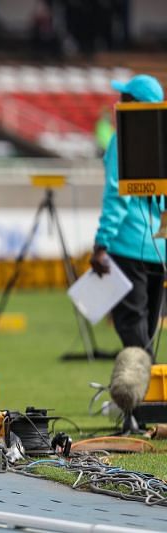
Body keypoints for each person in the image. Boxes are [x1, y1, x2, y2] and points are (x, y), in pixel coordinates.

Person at [90, 74, 165, 361]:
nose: (117, 103)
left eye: (124, 97)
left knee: (131, 326)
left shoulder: (122, 141)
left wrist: (101, 244)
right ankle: (149, 394)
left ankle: (145, 395)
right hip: (159, 248)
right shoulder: (162, 141)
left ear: (133, 103)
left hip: (126, 246)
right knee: (146, 326)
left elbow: (116, 196)